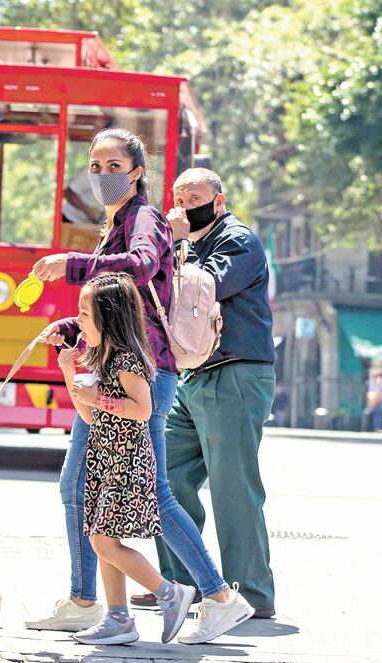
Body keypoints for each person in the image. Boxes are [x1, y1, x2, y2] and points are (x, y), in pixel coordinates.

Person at [25, 129, 253, 644]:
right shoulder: (115, 223)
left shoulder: (144, 219)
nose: (103, 175)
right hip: (124, 364)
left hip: (144, 371)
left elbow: (143, 267)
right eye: (95, 165)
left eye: (114, 166)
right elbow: (118, 305)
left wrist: (71, 264)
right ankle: (103, 609)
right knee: (86, 490)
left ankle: (217, 597)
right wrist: (72, 327)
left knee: (148, 495)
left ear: (136, 171)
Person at [148, 167, 277, 623]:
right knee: (166, 476)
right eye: (178, 197)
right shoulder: (192, 243)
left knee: (232, 487)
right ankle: (182, 583)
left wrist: (173, 241)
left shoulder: (237, 241)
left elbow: (200, 291)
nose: (184, 205)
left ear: (218, 201)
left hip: (236, 374)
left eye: (195, 197)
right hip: (194, 375)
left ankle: (252, 593)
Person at [56, 272, 194, 646]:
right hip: (105, 459)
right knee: (102, 538)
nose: (79, 322)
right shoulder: (102, 358)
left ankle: (170, 593)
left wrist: (97, 396)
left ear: (108, 317)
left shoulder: (127, 361)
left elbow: (143, 409)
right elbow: (89, 415)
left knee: (103, 543)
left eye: (84, 314)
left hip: (126, 461)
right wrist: (71, 375)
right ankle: (118, 618)